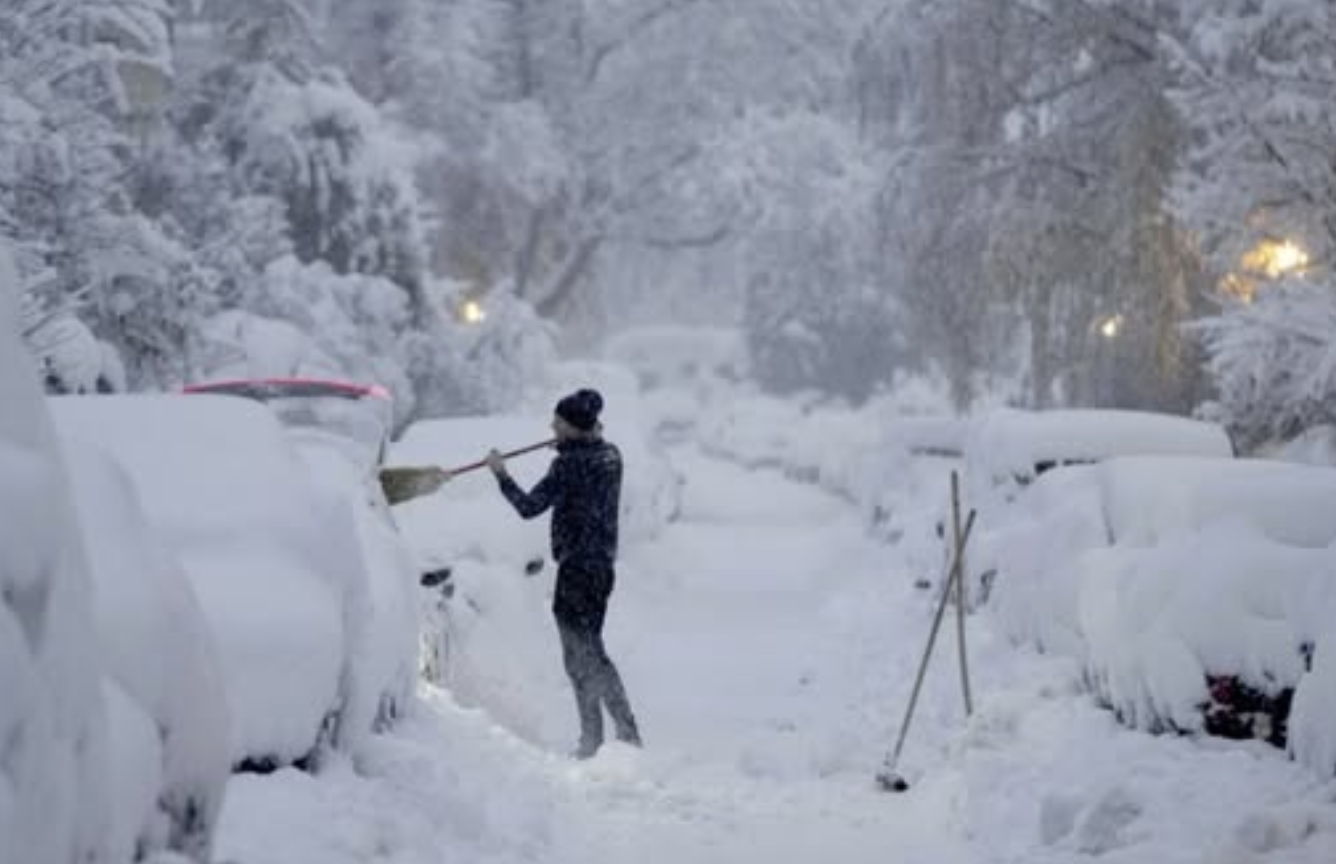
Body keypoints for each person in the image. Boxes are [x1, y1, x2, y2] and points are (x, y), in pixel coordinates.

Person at [486, 388, 642, 759]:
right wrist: (565, 446)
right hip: (601, 569)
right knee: (591, 651)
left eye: (557, 422)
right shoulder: (610, 456)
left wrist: (500, 475)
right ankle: (617, 734)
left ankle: (599, 739)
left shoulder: (570, 465)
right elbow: (585, 467)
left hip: (575, 572)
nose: (551, 426)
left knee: (580, 658)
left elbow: (528, 507)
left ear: (572, 426)